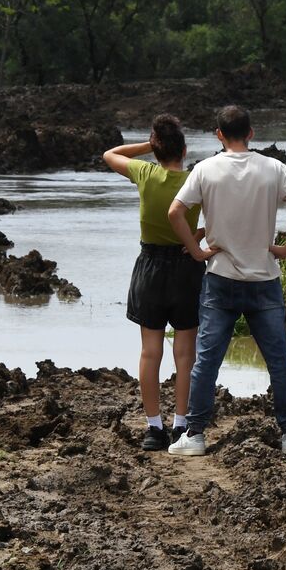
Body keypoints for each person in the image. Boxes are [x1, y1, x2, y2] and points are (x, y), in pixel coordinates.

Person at [165, 105, 286, 458]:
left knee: (206, 359)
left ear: (218, 134)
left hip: (220, 277)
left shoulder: (205, 169)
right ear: (251, 133)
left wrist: (196, 249)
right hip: (264, 277)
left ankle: (195, 434)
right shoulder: (273, 168)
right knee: (278, 360)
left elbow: (174, 211)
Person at [102, 115, 205, 452]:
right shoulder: (194, 182)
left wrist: (149, 145)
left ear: (156, 150)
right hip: (186, 267)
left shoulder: (145, 172)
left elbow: (110, 154)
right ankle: (180, 425)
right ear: (185, 150)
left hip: (150, 268)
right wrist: (197, 237)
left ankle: (153, 428)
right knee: (185, 353)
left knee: (150, 351)